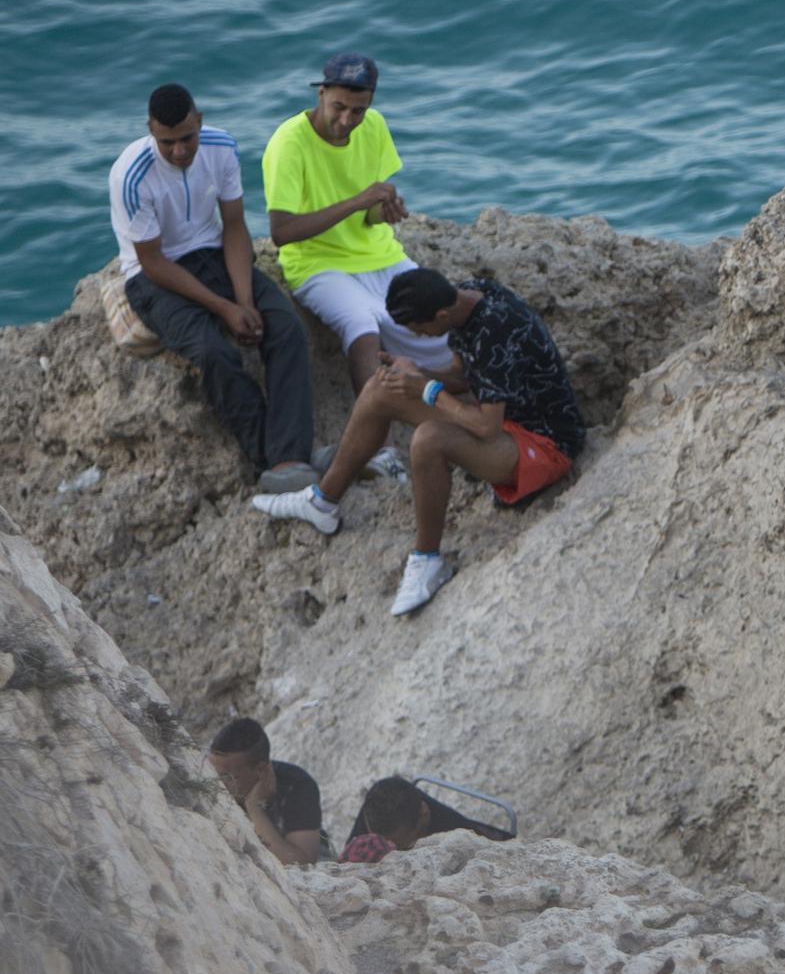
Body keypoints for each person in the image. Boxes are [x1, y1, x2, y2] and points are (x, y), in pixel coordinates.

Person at [252, 268, 585, 616]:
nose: (419, 336)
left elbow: (487, 427)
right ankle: (322, 502)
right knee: (382, 387)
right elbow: (461, 376)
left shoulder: (495, 329)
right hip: (505, 421)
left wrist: (426, 389)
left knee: (428, 440)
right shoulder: (468, 298)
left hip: (545, 445)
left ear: (441, 315)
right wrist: (416, 375)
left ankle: (427, 560)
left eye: (419, 329)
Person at [108, 83, 317, 493]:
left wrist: (244, 299)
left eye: (187, 138)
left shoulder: (222, 147)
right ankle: (271, 459)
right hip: (154, 277)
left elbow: (235, 226)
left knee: (287, 327)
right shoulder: (131, 175)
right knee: (212, 351)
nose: (180, 151)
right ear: (150, 130)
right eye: (167, 142)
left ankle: (291, 456)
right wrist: (224, 309)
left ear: (199, 122)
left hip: (214, 254)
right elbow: (152, 262)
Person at [261, 52, 451, 481]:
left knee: (442, 321)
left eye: (358, 111)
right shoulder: (289, 142)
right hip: (316, 264)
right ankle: (380, 451)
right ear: (321, 93)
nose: (348, 120)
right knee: (361, 325)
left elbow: (370, 216)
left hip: (379, 255)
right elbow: (282, 231)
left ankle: (463, 421)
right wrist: (358, 201)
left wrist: (385, 211)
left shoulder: (376, 127)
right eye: (339, 108)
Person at [207, 717, 323, 865]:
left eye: (228, 777)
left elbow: (302, 863)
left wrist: (254, 807)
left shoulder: (296, 786)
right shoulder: (209, 785)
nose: (217, 782)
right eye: (213, 772)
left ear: (260, 770)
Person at [344, 774, 514, 860]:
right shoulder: (376, 809)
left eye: (398, 844)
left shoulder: (457, 833)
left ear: (424, 816)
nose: (386, 846)